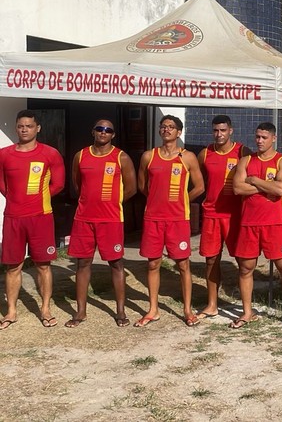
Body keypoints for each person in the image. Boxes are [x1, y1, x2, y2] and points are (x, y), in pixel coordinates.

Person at [66, 119, 137, 328]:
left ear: (113, 134)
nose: (103, 132)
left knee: (116, 263)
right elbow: (77, 184)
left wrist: (112, 203)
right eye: (99, 128)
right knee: (83, 263)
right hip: (84, 218)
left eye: (108, 130)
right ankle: (80, 312)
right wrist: (90, 201)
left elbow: (131, 188)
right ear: (93, 131)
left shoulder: (121, 157)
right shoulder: (81, 155)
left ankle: (121, 311)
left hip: (111, 219)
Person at [135, 115, 204, 327]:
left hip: (177, 220)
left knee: (183, 264)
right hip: (154, 218)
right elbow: (142, 186)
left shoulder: (187, 157)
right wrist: (158, 200)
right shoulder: (149, 156)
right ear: (159, 130)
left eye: (171, 127)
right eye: (163, 126)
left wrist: (182, 201)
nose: (166, 130)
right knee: (153, 263)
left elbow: (199, 187)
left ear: (179, 132)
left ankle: (187, 310)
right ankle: (153, 309)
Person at [0, 110, 65, 329]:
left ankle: (45, 309)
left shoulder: (50, 154)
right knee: (12, 267)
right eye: (21, 126)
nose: (24, 130)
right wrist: (17, 201)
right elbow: (2, 185)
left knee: (43, 266)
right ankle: (11, 312)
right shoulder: (4, 154)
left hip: (41, 218)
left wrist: (37, 199)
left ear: (38, 128)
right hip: (13, 218)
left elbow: (58, 184)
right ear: (16, 128)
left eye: (29, 126)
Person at [232, 122, 282, 329]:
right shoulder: (245, 160)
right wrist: (264, 186)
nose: (259, 141)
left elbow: (280, 189)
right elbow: (237, 188)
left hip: (275, 223)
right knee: (245, 268)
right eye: (257, 137)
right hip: (249, 223)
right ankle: (247, 312)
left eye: (264, 137)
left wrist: (253, 180)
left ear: (273, 138)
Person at [195, 115, 249, 320]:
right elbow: (199, 180)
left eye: (223, 130)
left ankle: (246, 308)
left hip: (235, 215)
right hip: (211, 213)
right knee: (211, 260)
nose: (219, 134)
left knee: (243, 261)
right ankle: (212, 304)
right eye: (216, 131)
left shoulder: (242, 152)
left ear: (231, 131)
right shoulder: (205, 153)